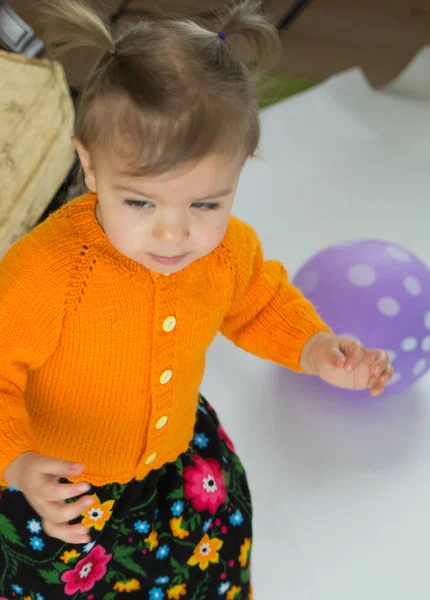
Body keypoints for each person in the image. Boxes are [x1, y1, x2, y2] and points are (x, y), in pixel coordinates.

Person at [0, 1, 393, 598]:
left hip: (176, 461)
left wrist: (314, 347)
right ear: (90, 166)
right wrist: (16, 463)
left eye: (205, 204)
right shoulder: (48, 271)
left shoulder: (227, 249)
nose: (173, 234)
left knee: (209, 559)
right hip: (57, 485)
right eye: (141, 203)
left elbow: (259, 302)